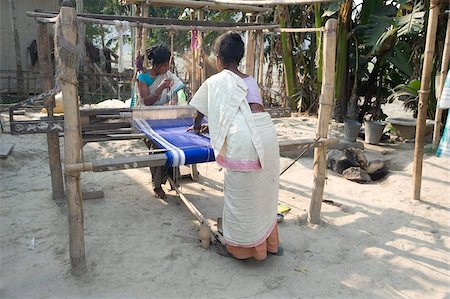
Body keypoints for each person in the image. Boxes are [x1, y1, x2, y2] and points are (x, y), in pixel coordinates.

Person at [189, 32, 282, 260]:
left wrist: (196, 126)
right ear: (238, 57)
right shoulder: (250, 80)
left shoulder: (215, 82)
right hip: (266, 135)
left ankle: (240, 250)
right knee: (262, 194)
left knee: (239, 197)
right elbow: (247, 112)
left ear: (219, 58)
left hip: (245, 142)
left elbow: (198, 112)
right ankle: (268, 245)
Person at [137, 45, 185, 199]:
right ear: (156, 65)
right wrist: (160, 88)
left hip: (165, 118)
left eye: (168, 64)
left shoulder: (168, 76)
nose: (167, 67)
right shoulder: (143, 78)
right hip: (148, 121)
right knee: (156, 150)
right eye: (164, 65)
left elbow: (175, 92)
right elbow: (146, 102)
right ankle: (157, 185)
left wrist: (174, 104)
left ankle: (172, 179)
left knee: (174, 146)